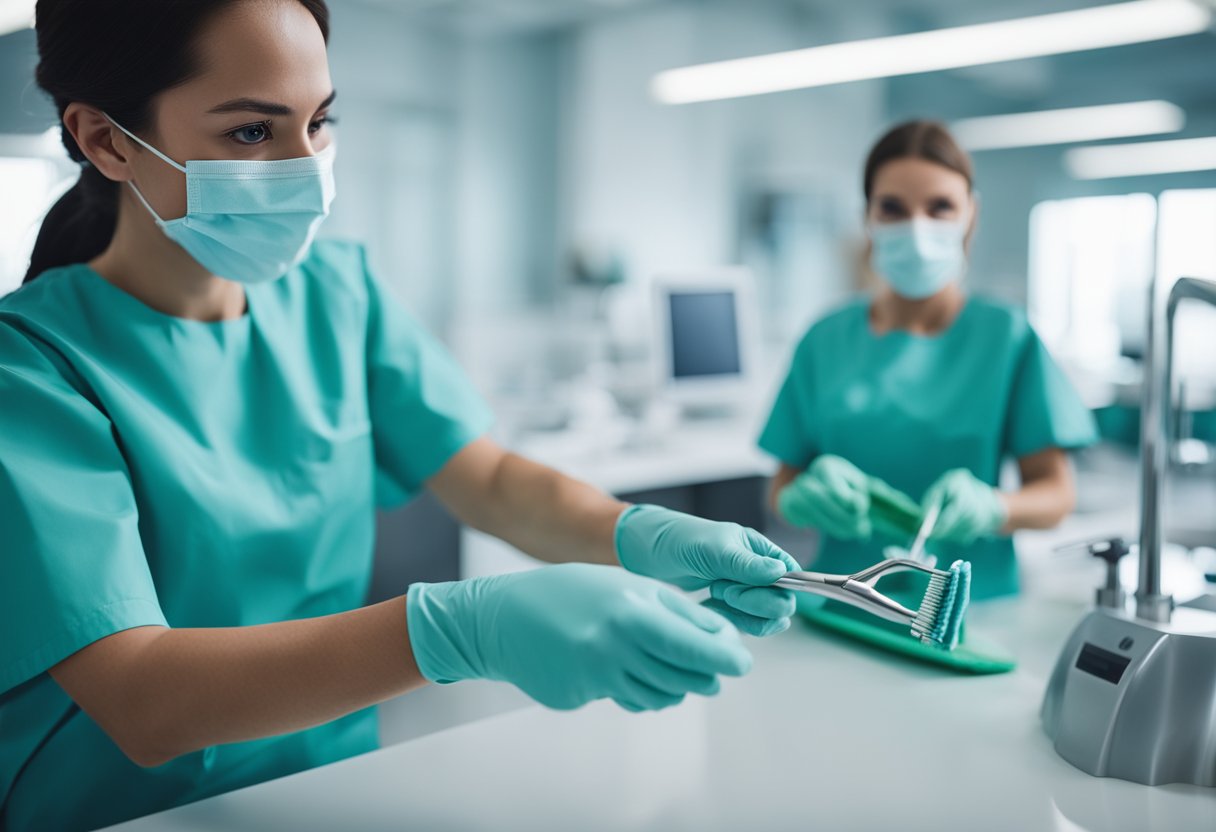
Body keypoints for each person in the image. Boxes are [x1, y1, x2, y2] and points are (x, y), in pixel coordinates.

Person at [0, 2, 798, 829]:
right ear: (107, 140)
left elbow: (485, 477)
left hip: (326, 786)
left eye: (320, 120)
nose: (306, 166)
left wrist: (641, 534)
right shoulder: (31, 371)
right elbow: (142, 698)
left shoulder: (337, 295)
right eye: (250, 134)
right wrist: (459, 632)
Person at [759, 120, 1098, 601]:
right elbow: (781, 488)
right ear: (868, 220)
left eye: (940, 207)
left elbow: (1056, 496)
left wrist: (994, 506)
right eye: (893, 208)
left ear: (971, 217)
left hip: (966, 613)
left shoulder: (1007, 338)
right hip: (841, 601)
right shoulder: (823, 339)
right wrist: (801, 499)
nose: (917, 227)